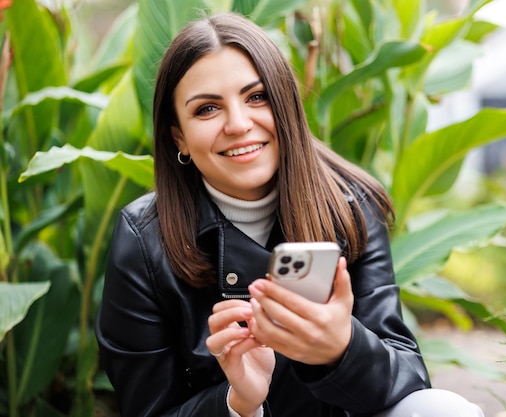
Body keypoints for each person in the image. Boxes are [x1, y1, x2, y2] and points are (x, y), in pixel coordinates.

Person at [95, 11, 485, 417]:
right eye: (208, 109)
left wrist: (342, 348)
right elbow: (149, 409)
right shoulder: (144, 241)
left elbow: (409, 383)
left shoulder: (349, 205)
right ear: (180, 137)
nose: (239, 124)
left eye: (257, 96)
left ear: (285, 103)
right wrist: (238, 403)